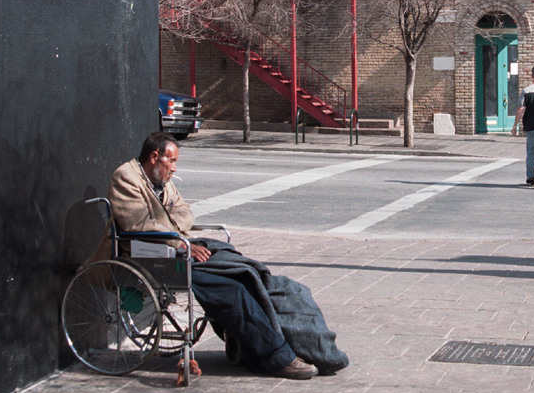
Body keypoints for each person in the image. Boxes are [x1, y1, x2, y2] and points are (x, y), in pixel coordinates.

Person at [85, 132, 348, 379]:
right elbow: (138, 224)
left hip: (175, 246)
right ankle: (277, 355)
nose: (175, 168)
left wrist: (176, 233)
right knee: (229, 291)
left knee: (243, 273)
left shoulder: (161, 182)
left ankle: (258, 339)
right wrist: (178, 240)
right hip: (147, 254)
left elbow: (186, 212)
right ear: (155, 157)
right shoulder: (126, 177)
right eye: (172, 161)